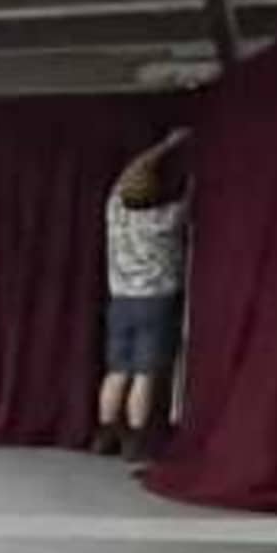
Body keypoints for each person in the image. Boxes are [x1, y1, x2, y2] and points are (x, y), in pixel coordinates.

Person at [95, 128, 190, 455]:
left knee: (117, 369)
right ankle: (135, 440)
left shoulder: (115, 214)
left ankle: (105, 433)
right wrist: (181, 153)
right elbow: (193, 199)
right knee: (145, 373)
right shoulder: (164, 220)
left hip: (120, 300)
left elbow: (128, 177)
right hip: (156, 302)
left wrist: (162, 146)